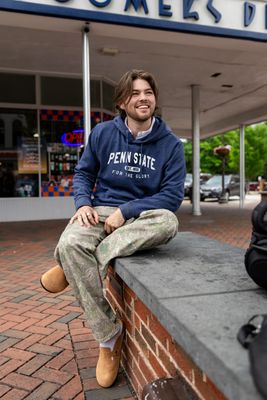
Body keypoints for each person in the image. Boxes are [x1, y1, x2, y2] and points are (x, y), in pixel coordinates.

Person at [41, 69, 186, 388]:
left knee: (169, 222)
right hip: (99, 208)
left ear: (155, 98)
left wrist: (126, 211)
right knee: (70, 243)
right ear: (122, 101)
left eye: (148, 92)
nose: (143, 98)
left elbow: (172, 196)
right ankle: (109, 338)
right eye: (135, 93)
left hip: (141, 217)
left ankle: (72, 268)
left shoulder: (171, 145)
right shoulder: (103, 134)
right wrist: (83, 204)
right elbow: (83, 174)